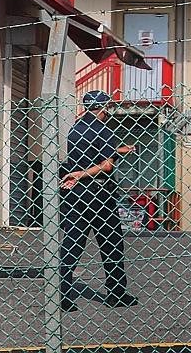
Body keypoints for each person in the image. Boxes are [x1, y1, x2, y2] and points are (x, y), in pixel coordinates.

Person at [58, 91, 137, 311]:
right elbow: (106, 165)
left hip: (75, 194)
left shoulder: (76, 128)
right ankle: (116, 293)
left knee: (72, 243)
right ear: (103, 109)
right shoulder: (104, 130)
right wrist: (80, 174)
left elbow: (91, 153)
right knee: (111, 244)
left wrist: (117, 150)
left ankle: (62, 295)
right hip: (99, 193)